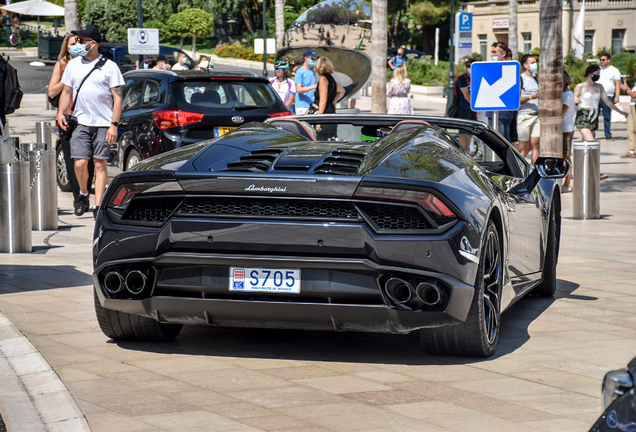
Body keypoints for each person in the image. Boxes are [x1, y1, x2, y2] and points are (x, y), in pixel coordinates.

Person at [56, 25, 125, 216]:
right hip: (81, 122)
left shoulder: (110, 66)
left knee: (100, 164)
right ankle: (83, 194)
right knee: (79, 163)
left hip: (103, 123)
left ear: (92, 43)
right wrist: (61, 113)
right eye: (76, 40)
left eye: (80, 40)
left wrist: (114, 124)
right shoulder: (73, 65)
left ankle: (99, 206)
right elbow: (67, 91)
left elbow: (118, 97)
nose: (76, 43)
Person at [48, 34, 95, 214]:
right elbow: (52, 92)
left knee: (88, 160)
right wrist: (67, 78)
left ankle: (85, 194)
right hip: (68, 119)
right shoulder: (62, 65)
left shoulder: (90, 63)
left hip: (89, 117)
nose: (77, 44)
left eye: (79, 42)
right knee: (72, 160)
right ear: (67, 47)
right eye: (73, 42)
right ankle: (79, 199)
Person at [574, 64, 628, 179]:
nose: (598, 76)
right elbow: (572, 100)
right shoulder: (580, 86)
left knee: (586, 146)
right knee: (592, 143)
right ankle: (595, 172)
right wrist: (575, 100)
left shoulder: (600, 87)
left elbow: (608, 102)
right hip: (583, 116)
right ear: (590, 74)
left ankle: (579, 171)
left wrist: (620, 111)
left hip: (594, 117)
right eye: (597, 74)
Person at [517, 54, 541, 164]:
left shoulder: (535, 79)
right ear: (525, 65)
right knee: (522, 145)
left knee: (535, 145)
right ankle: (513, 166)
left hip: (536, 115)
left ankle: (534, 172)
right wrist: (531, 97)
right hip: (524, 116)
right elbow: (516, 100)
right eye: (532, 62)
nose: (535, 64)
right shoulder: (520, 79)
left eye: (535, 62)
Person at [313, 56, 345, 139]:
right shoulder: (331, 79)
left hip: (324, 114)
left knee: (321, 141)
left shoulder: (323, 79)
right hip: (331, 111)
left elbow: (323, 100)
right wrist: (333, 100)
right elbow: (342, 91)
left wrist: (318, 121)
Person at [451, 58, 475, 151]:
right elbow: (466, 95)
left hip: (471, 110)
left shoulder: (474, 78)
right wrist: (475, 106)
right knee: (463, 133)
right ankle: (462, 151)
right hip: (463, 109)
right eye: (468, 66)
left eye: (471, 66)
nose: (469, 68)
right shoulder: (463, 78)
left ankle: (466, 151)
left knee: (470, 133)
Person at [598, 53, 622, 140]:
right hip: (597, 96)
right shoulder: (598, 69)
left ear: (609, 60)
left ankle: (608, 134)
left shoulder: (614, 70)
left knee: (607, 116)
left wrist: (617, 96)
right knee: (594, 116)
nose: (602, 61)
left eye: (603, 60)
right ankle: (591, 135)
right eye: (600, 60)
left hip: (608, 96)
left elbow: (617, 84)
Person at [561, 70, 576, 193]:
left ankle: (567, 183)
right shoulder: (564, 93)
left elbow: (561, 112)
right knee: (563, 156)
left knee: (566, 156)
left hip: (566, 128)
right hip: (564, 127)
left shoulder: (567, 94)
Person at [619, 66, 636, 158]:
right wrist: (627, 87)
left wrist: (625, 88)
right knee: (631, 129)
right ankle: (631, 150)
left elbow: (634, 95)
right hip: (633, 106)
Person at [294, 50, 318, 115]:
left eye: (314, 59)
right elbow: (299, 89)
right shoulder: (299, 72)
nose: (314, 61)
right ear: (306, 58)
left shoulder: (313, 72)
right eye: (312, 59)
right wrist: (314, 86)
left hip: (312, 105)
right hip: (302, 106)